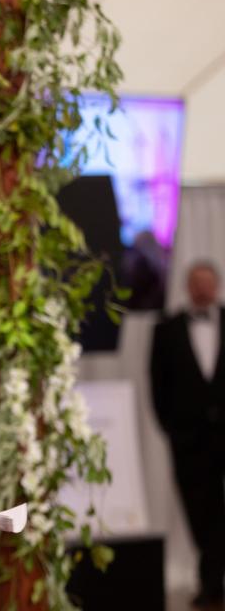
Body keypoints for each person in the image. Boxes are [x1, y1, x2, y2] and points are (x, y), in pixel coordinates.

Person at [150, 260, 225, 608]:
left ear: (218, 285)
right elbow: (157, 385)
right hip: (189, 442)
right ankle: (212, 583)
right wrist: (172, 430)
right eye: (196, 283)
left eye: (208, 283)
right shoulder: (167, 329)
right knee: (199, 512)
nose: (202, 289)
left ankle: (214, 583)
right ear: (186, 286)